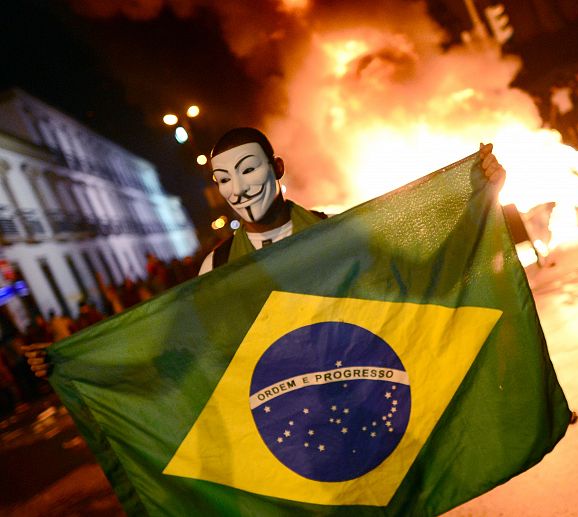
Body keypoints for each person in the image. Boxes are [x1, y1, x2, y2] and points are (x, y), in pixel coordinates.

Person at [25, 126, 506, 377]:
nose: (237, 189)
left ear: (276, 167)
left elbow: (416, 279)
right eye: (223, 179)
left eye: (248, 170)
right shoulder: (216, 265)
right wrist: (72, 360)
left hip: (367, 392)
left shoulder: (331, 232)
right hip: (289, 417)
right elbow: (180, 346)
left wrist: (478, 198)